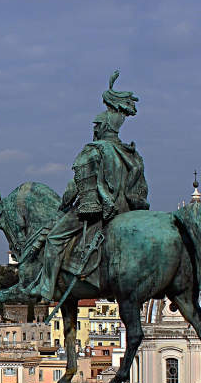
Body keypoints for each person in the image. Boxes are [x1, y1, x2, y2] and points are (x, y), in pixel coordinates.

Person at [24, 72, 148, 302]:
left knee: (54, 239)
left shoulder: (94, 150)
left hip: (97, 210)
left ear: (101, 127)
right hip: (126, 211)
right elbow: (142, 190)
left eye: (96, 126)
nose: (95, 130)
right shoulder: (132, 154)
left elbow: (76, 187)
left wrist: (65, 202)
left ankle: (46, 287)